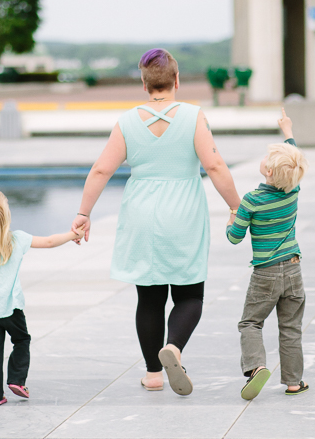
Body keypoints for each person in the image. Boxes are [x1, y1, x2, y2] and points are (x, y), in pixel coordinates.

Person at [71, 48, 241, 396]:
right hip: (183, 215)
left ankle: (152, 373)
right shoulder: (194, 116)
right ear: (177, 81)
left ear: (144, 84)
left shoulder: (127, 121)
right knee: (190, 294)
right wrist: (237, 206)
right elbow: (215, 166)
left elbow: (102, 169)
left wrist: (84, 213)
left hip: (141, 216)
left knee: (149, 300)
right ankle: (174, 347)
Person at [0, 190, 84, 406]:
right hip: (11, 309)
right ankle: (16, 380)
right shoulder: (16, 240)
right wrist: (73, 235)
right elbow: (50, 242)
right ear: (6, 220)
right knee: (21, 340)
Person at [226, 108, 310, 400]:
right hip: (294, 269)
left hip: (266, 273)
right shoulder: (293, 189)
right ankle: (294, 382)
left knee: (250, 322)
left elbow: (234, 238)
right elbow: (294, 157)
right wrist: (288, 131)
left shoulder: (251, 200)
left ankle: (256, 367)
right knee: (290, 327)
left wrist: (232, 218)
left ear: (269, 171)